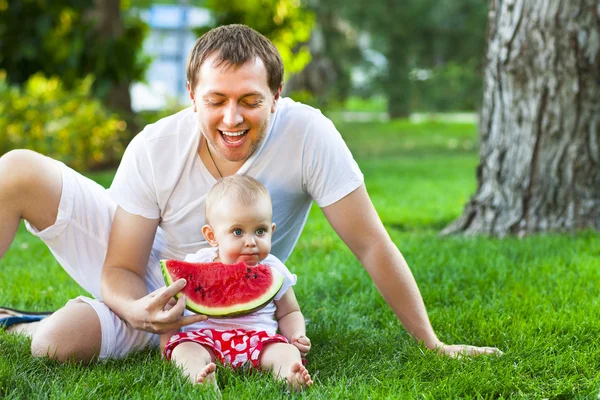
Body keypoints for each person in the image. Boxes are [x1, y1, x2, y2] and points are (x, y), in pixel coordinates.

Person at [0, 24, 501, 363]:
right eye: (215, 100)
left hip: (235, 299)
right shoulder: (156, 146)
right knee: (16, 169)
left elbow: (371, 243)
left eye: (250, 101)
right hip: (148, 281)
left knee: (54, 345)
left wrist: (432, 343)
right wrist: (136, 310)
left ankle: (24, 324)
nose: (232, 119)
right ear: (192, 96)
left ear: (277, 97)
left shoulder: (309, 135)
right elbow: (121, 268)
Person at [160, 174, 312, 391]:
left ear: (272, 231)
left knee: (286, 352)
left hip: (259, 341)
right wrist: (166, 342)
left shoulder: (275, 270)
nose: (250, 242)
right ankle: (198, 378)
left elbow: (289, 312)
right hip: (204, 339)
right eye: (237, 232)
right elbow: (170, 308)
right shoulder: (197, 263)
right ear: (212, 236)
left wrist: (297, 335)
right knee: (184, 351)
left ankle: (289, 374)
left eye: (260, 231)